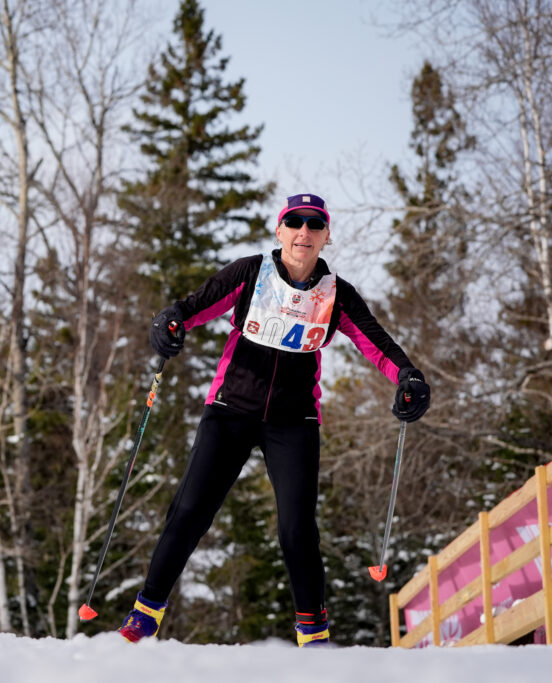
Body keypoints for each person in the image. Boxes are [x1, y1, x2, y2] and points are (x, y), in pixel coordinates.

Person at [118, 193, 430, 647]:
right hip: (230, 409)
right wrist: (170, 322)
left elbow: (376, 342)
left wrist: (408, 376)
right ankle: (145, 614)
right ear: (280, 230)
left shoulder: (336, 294)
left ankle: (313, 634)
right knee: (189, 511)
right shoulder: (251, 272)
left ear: (326, 236)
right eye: (295, 222)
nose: (304, 232)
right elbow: (195, 307)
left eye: (314, 224)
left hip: (293, 420)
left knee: (297, 530)